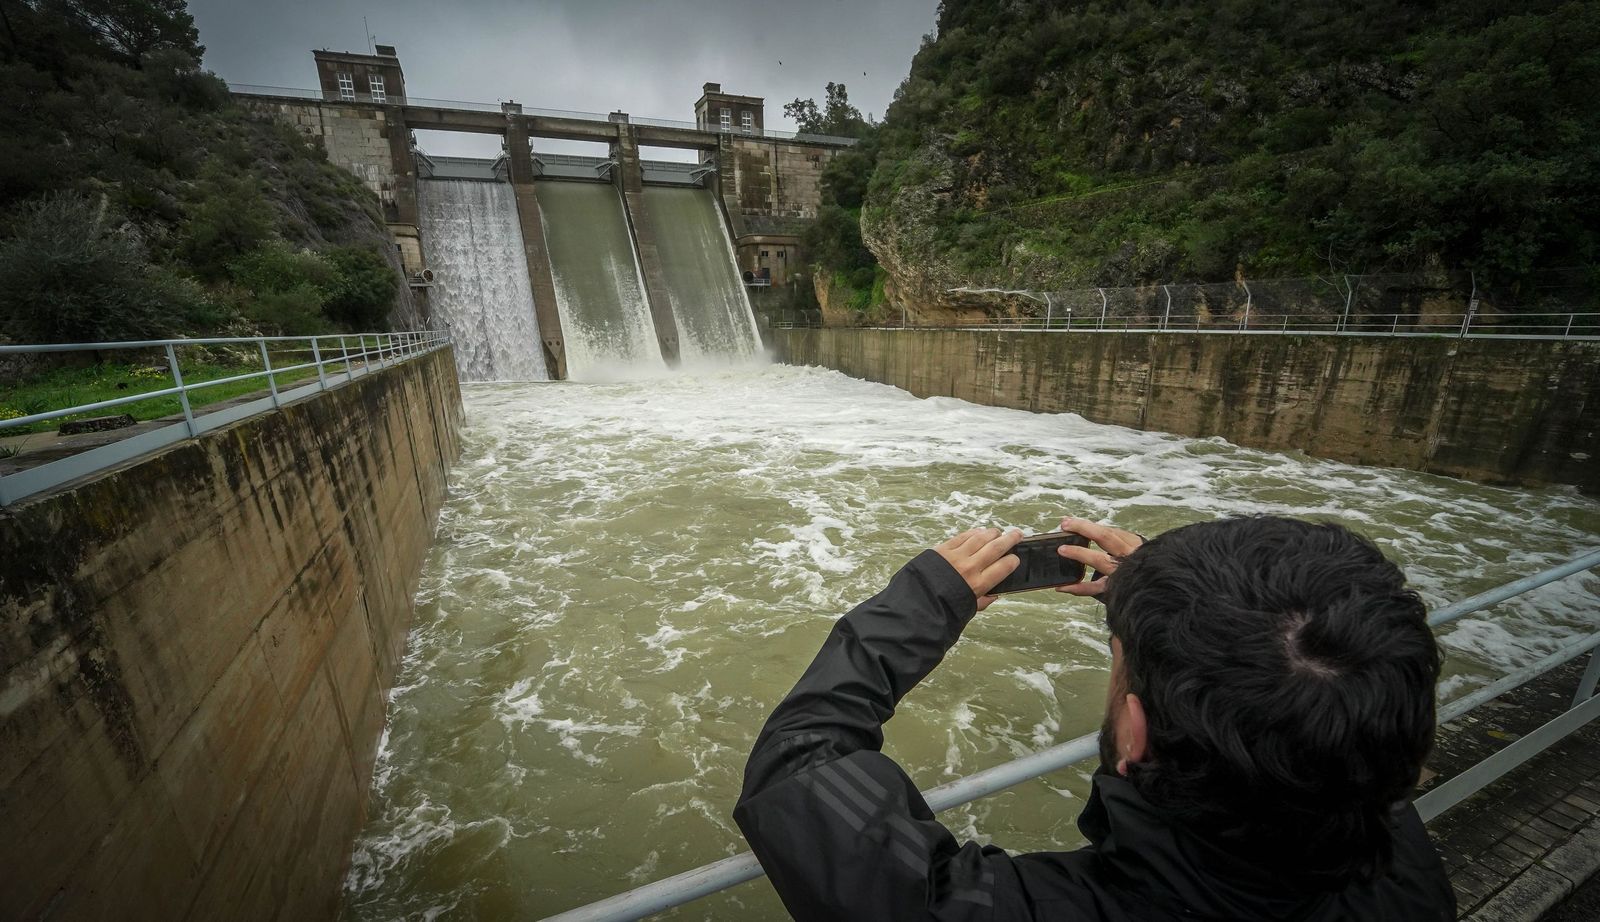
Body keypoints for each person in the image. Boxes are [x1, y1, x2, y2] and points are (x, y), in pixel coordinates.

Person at [733, 515, 1454, 921]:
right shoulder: (1403, 879)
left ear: (1135, 737)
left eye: (1121, 664)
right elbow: (1336, 715)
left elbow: (801, 762)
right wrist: (1173, 605)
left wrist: (915, 607)